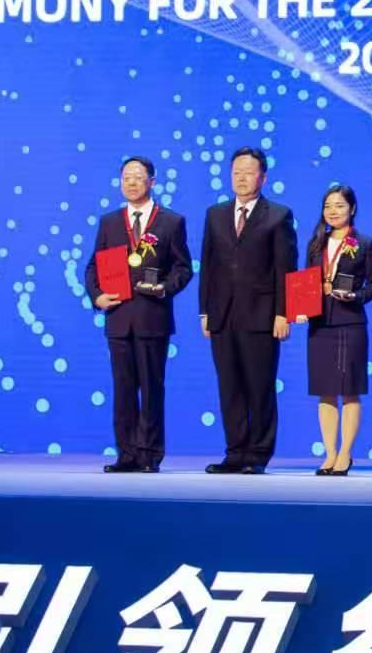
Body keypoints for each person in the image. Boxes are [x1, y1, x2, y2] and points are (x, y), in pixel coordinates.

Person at [84, 156, 193, 473]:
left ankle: (149, 455)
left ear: (152, 182)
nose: (131, 183)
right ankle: (126, 455)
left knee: (151, 388)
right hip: (118, 319)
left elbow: (183, 268)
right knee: (123, 390)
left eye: (138, 177)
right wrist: (97, 296)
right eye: (126, 177)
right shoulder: (110, 222)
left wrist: (164, 288)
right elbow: (93, 266)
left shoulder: (171, 221)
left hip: (152, 317)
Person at [199, 146, 297, 475]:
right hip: (222, 314)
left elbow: (286, 269)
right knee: (229, 387)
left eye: (249, 172)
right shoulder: (215, 214)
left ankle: (258, 455)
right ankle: (235, 453)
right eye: (236, 172)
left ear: (263, 178)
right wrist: (204, 311)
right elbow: (208, 264)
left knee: (260, 387)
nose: (241, 178)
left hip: (262, 315)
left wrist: (283, 313)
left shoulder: (278, 215)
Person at [304, 185, 372, 477]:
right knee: (324, 391)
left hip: (350, 322)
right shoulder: (315, 244)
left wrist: (355, 296)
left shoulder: (365, 243)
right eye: (327, 206)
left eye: (339, 205)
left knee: (350, 390)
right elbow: (305, 280)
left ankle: (346, 453)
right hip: (319, 323)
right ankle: (330, 453)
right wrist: (300, 305)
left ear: (352, 209)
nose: (332, 211)